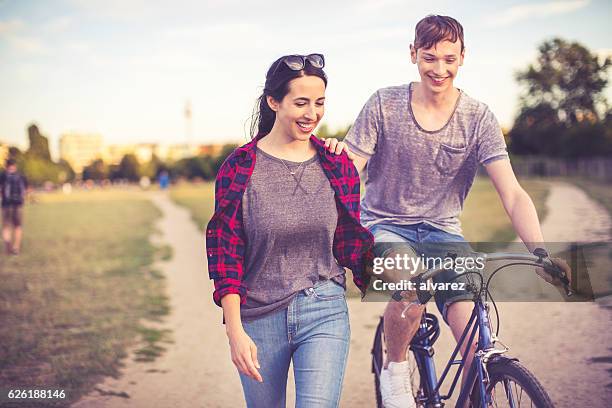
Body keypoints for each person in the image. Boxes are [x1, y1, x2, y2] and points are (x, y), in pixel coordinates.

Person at [324, 15, 571, 408]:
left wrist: (540, 250)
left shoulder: (479, 118)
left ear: (462, 57)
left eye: (448, 58)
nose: (439, 69)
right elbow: (350, 170)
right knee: (410, 278)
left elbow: (512, 193)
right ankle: (395, 371)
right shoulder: (384, 104)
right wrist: (336, 161)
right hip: (385, 224)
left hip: (443, 231)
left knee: (476, 345)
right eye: (429, 58)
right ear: (413, 55)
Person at [205, 53, 373, 407]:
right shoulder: (239, 168)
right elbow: (226, 254)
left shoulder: (336, 162)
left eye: (319, 103)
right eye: (300, 102)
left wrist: (403, 282)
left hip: (323, 307)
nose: (312, 113)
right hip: (259, 318)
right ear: (273, 101)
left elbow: (352, 242)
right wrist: (235, 331)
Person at [1, 158, 28, 255]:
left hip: (6, 205)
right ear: (15, 165)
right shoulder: (21, 176)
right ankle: (16, 248)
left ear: (6, 165)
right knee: (17, 226)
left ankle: (8, 247)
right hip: (18, 205)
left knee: (6, 226)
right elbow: (25, 190)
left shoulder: (2, 175)